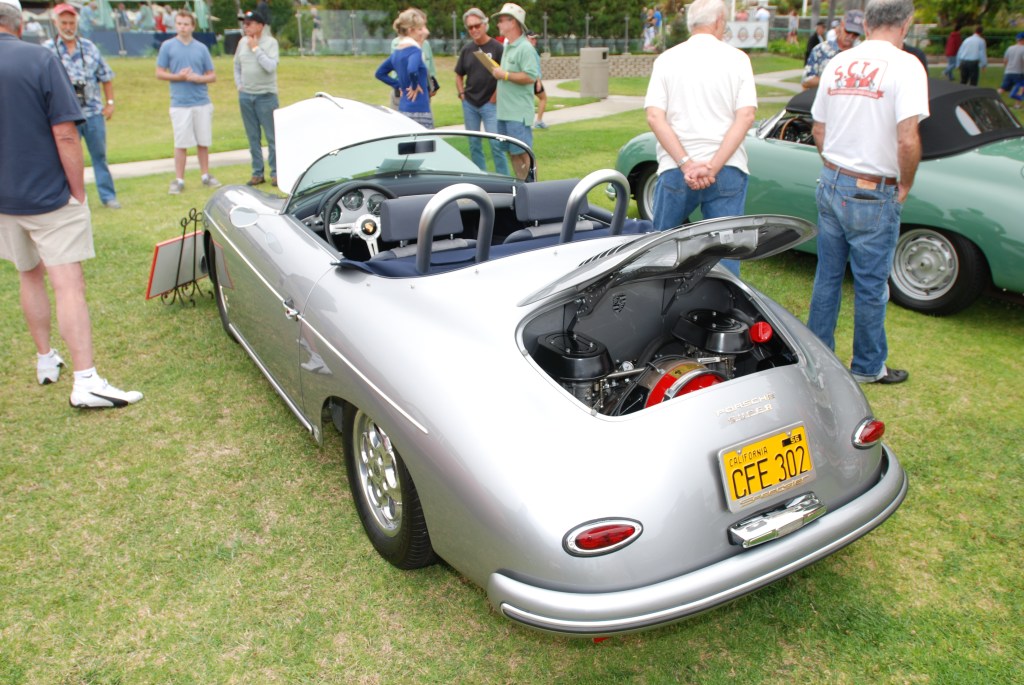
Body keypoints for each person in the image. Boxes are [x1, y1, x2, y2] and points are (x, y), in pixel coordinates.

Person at [0, 0, 143, 408]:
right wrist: (77, 191)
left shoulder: (43, 56)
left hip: (6, 197)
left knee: (28, 275)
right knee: (68, 283)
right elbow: (65, 133)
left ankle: (45, 358)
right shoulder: (40, 58)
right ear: (19, 23)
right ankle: (86, 380)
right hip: (47, 193)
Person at [807, 0, 929, 385]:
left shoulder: (838, 62)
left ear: (867, 22)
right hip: (873, 189)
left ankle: (817, 359)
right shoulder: (907, 66)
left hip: (832, 180)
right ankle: (867, 365)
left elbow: (818, 129)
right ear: (905, 23)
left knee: (827, 277)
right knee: (871, 285)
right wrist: (905, 183)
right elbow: (907, 139)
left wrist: (835, 167)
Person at [643, 0, 756, 277]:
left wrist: (686, 163)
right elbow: (745, 116)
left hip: (676, 169)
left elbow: (655, 116)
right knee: (725, 255)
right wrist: (713, 167)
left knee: (661, 251)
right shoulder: (738, 59)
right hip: (727, 168)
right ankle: (723, 301)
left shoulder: (667, 59)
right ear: (718, 22)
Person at [46, 4, 121, 210]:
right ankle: (69, 198)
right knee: (65, 158)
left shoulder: (89, 47)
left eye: (72, 23)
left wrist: (110, 103)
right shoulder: (47, 50)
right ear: (55, 23)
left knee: (100, 156)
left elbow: (106, 77)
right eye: (64, 23)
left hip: (92, 112)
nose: (68, 27)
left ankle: (108, 196)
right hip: (64, 116)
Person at [156, 9, 220, 194]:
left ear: (192, 26)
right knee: (181, 143)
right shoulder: (168, 46)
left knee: (203, 141)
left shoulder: (201, 48)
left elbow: (212, 75)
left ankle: (205, 175)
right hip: (180, 103)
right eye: (179, 24)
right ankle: (179, 179)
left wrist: (198, 78)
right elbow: (159, 73)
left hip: (201, 101)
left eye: (186, 24)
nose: (182, 27)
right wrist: (178, 76)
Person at [453, 8, 508, 173]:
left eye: (477, 25)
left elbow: (504, 75)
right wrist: (462, 94)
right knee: (474, 144)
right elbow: (458, 74)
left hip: (490, 104)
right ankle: (480, 177)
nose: (474, 30)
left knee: (496, 144)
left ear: (485, 24)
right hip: (470, 104)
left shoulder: (497, 48)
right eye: (470, 27)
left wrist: (495, 97)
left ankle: (504, 179)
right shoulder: (467, 49)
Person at [491, 3, 540, 180]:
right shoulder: (508, 46)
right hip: (505, 112)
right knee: (513, 153)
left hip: (518, 113)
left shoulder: (525, 48)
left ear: (512, 22)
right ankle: (521, 185)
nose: (498, 24)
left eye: (501, 20)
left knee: (523, 152)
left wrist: (504, 75)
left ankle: (533, 187)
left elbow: (531, 76)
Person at [234, 8, 279, 186]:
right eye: (244, 24)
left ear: (260, 26)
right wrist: (239, 85)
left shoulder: (271, 43)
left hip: (266, 96)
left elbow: (270, 66)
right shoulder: (241, 43)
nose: (246, 27)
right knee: (253, 137)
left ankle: (276, 173)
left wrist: (256, 49)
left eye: (249, 24)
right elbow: (236, 65)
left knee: (272, 137)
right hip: (246, 96)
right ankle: (257, 173)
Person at [375, 8, 433, 128]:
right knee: (425, 140)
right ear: (411, 30)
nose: (423, 32)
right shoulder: (415, 51)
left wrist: (398, 85)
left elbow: (380, 73)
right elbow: (412, 69)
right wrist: (414, 85)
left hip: (403, 109)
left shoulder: (396, 53)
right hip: (420, 110)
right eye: (419, 29)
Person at [802, 10, 863, 89]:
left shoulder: (862, 53)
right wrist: (834, 81)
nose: (851, 36)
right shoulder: (821, 50)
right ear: (841, 26)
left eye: (856, 34)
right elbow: (806, 81)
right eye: (848, 31)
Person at [526, 31, 548, 129]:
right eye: (532, 38)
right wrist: (538, 81)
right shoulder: (529, 50)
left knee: (532, 99)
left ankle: (535, 121)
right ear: (527, 38)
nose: (534, 40)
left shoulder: (531, 50)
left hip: (533, 78)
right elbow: (533, 67)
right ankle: (537, 121)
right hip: (534, 79)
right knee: (543, 98)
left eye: (535, 38)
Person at [998, 32, 1024, 103]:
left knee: (1003, 88)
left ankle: (994, 99)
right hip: (1019, 72)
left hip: (1008, 72)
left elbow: (1005, 60)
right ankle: (1017, 104)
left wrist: (1007, 67)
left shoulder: (1010, 48)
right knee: (1020, 88)